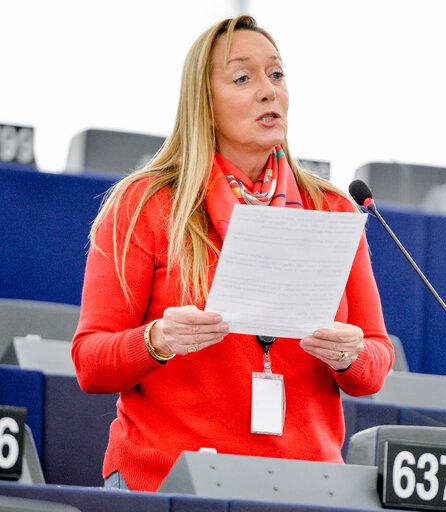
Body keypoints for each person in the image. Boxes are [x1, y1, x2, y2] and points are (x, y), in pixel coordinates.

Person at [71, 15, 394, 492]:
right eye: (243, 77)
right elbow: (90, 362)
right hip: (169, 483)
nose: (268, 90)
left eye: (276, 74)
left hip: (306, 488)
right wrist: (156, 340)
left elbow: (375, 362)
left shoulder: (332, 208)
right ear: (203, 104)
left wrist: (349, 355)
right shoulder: (144, 203)